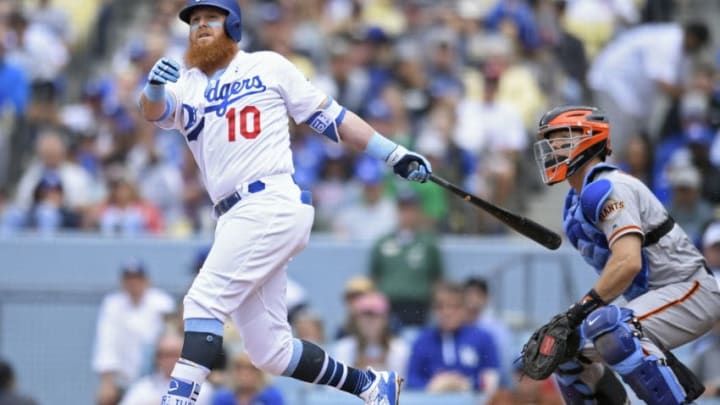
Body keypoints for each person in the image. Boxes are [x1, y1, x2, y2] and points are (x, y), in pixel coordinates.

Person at [137, 1, 432, 404]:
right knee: (270, 352)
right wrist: (153, 88)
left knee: (202, 301)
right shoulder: (187, 84)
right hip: (235, 216)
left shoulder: (268, 66)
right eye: (194, 21)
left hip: (269, 201)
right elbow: (154, 111)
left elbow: (333, 116)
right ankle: (369, 385)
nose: (200, 26)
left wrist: (392, 153)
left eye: (210, 18)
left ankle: (177, 399)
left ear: (233, 24)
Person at [531, 105, 720, 404]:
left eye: (563, 137)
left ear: (591, 139)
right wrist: (572, 319)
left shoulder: (611, 187)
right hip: (654, 297)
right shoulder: (575, 201)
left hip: (690, 290)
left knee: (611, 328)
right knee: (565, 349)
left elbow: (628, 261)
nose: (553, 146)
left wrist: (577, 311)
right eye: (550, 139)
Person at [587, 22, 710, 151]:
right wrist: (695, 90)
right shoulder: (668, 40)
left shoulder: (685, 51)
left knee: (631, 141)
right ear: (692, 37)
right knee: (616, 140)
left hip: (631, 94)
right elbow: (665, 85)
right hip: (614, 83)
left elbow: (680, 85)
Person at [93, 260, 176, 405]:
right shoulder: (112, 305)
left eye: (137, 278)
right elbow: (106, 343)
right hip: (123, 379)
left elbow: (170, 340)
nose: (133, 283)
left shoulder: (162, 302)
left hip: (155, 378)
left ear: (146, 280)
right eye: (129, 279)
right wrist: (107, 381)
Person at [406, 282, 500, 393]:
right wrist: (432, 386)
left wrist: (465, 384)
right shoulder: (422, 341)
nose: (447, 312)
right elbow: (411, 379)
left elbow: (492, 378)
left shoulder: (483, 338)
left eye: (454, 307)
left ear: (465, 309)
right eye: (440, 307)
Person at [369, 188, 443, 327]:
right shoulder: (383, 242)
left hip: (419, 307)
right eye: (403, 209)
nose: (407, 214)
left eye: (411, 209)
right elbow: (374, 276)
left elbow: (437, 278)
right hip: (387, 307)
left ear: (418, 211)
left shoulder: (428, 243)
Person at [120, 334, 213, 405]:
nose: (170, 360)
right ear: (157, 359)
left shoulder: (202, 389)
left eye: (174, 354)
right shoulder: (142, 388)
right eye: (165, 355)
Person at [333, 292, 410, 377]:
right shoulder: (343, 348)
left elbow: (401, 385)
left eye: (374, 315)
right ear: (356, 320)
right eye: (364, 315)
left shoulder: (399, 349)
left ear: (385, 319)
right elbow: (335, 387)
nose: (369, 321)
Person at [211, 348, 284, 405]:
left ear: (260, 372)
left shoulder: (272, 397)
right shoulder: (222, 398)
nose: (244, 373)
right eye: (239, 368)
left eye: (251, 368)